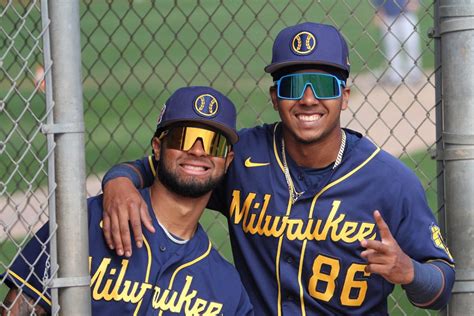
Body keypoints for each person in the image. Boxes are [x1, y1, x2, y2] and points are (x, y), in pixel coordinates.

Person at [101, 22, 455, 315]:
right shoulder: (243, 154)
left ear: (345, 96)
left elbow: (441, 287)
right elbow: (168, 165)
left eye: (325, 85)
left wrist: (409, 272)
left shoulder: (390, 182)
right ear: (274, 98)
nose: (308, 99)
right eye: (293, 85)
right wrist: (119, 181)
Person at [1, 86, 254, 315]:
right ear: (157, 147)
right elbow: (20, 305)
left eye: (213, 144)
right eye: (183, 138)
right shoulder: (86, 224)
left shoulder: (226, 292)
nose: (197, 151)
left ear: (227, 161)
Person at [373, 0, 424, 85]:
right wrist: (379, 9)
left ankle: (415, 74)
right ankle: (395, 76)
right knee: (391, 47)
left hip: (407, 14)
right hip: (388, 15)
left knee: (411, 44)